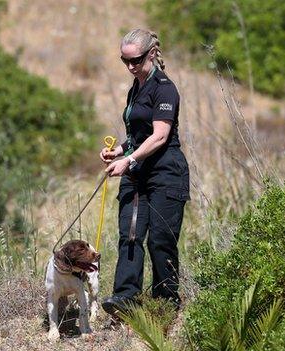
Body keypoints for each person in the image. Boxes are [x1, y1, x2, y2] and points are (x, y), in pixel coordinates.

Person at [100, 29, 190, 315]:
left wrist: (128, 160)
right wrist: (120, 150)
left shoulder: (165, 88)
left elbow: (160, 135)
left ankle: (165, 303)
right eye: (124, 61)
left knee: (161, 240)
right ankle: (125, 298)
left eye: (135, 60)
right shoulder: (135, 87)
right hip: (137, 172)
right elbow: (140, 134)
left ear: (151, 54)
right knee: (130, 233)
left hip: (166, 173)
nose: (130, 67)